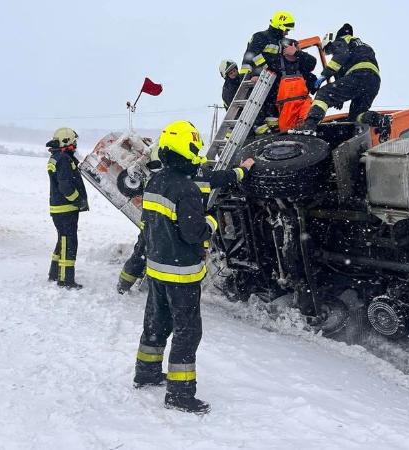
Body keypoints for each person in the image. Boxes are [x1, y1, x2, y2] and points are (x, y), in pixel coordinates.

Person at [133, 120, 224, 414]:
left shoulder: (155, 182)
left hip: (157, 268)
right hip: (181, 273)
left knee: (156, 323)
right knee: (188, 331)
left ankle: (146, 372)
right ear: (187, 149)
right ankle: (180, 394)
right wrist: (211, 221)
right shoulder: (186, 189)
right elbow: (194, 233)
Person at [117, 150, 255, 295]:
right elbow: (227, 177)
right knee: (177, 260)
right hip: (183, 228)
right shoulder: (204, 175)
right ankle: (170, 289)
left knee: (143, 250)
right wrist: (244, 169)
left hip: (157, 223)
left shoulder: (162, 177)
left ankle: (125, 285)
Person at [299, 24, 390, 134]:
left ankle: (309, 126)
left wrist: (324, 75)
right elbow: (341, 75)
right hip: (373, 82)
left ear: (331, 40)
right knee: (356, 116)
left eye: (329, 49)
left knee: (324, 93)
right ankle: (380, 120)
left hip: (359, 75)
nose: (331, 53)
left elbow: (340, 56)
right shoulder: (358, 45)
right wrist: (339, 98)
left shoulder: (341, 40)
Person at [239, 11, 298, 134]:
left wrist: (295, 44)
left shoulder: (278, 41)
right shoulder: (260, 37)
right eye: (286, 29)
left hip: (268, 77)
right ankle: (258, 126)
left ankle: (272, 125)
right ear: (280, 26)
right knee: (256, 102)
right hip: (253, 75)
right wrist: (255, 74)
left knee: (271, 99)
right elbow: (253, 55)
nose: (287, 32)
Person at [47, 127, 88, 289]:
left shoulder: (57, 157)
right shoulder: (64, 159)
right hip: (65, 209)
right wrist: (78, 200)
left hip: (60, 208)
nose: (75, 145)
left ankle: (54, 273)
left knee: (62, 240)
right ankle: (65, 280)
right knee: (69, 243)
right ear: (66, 141)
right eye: (74, 141)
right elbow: (65, 186)